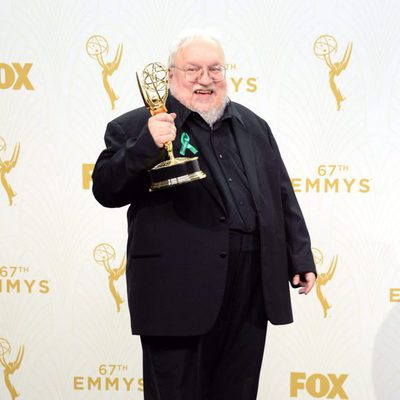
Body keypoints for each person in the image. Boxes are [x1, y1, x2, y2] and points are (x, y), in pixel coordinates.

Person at [92, 31, 316, 400]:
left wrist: (299, 254)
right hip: (177, 288)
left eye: (215, 69)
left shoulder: (254, 126)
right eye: (192, 69)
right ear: (169, 75)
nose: (205, 78)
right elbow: (106, 188)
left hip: (250, 285)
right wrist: (146, 144)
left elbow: (280, 193)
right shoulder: (136, 126)